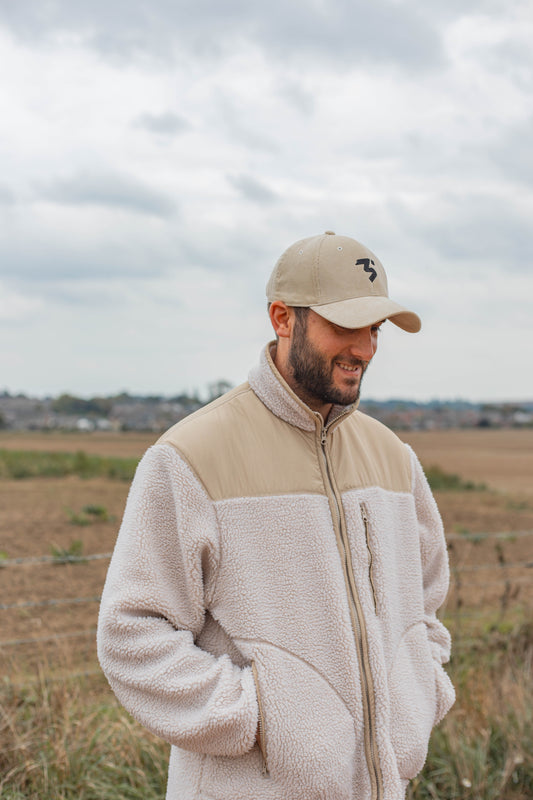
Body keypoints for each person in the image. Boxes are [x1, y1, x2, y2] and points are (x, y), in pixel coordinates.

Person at [97, 231, 455, 800]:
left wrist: (418, 691)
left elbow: (427, 604)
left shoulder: (395, 460)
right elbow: (130, 635)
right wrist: (265, 716)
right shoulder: (189, 458)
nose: (365, 348)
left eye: (375, 328)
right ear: (282, 318)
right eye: (345, 325)